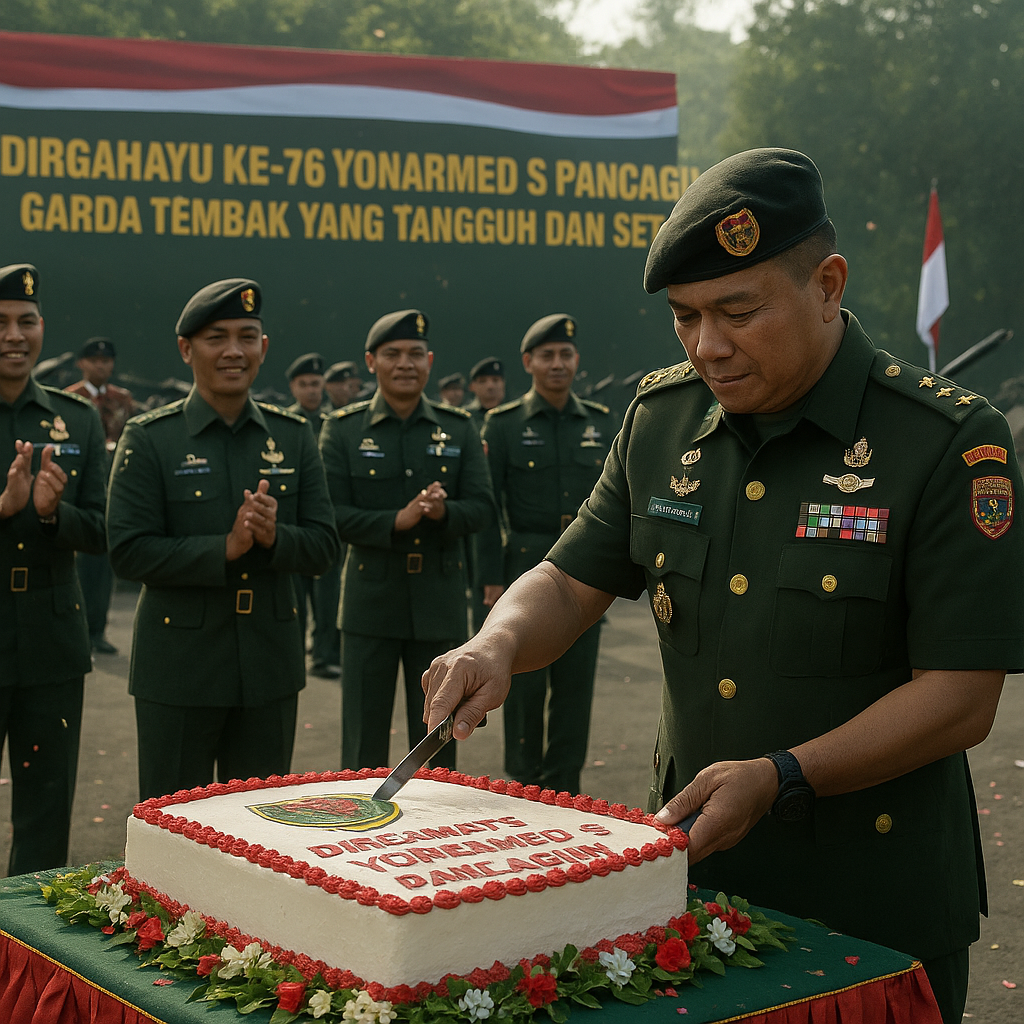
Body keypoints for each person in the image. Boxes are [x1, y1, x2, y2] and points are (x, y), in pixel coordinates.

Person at [422, 149, 1024, 1024]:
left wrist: (782, 775)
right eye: (684, 316)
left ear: (827, 283)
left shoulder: (943, 441)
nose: (707, 345)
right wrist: (497, 642)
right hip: (693, 892)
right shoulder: (663, 421)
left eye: (738, 311)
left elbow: (962, 696)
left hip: (874, 912)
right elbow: (567, 577)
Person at [106, 279, 339, 800]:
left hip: (269, 668)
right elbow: (126, 550)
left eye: (247, 336)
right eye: (217, 337)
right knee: (174, 832)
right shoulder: (150, 438)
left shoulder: (293, 435)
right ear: (187, 349)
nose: (234, 351)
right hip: (179, 667)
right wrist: (224, 549)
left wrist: (275, 537)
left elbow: (325, 546)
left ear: (264, 347)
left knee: (261, 834)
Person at [319, 309, 494, 770]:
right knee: (362, 742)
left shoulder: (458, 427)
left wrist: (443, 512)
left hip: (438, 602)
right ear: (371, 362)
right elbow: (331, 514)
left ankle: (434, 832)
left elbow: (483, 507)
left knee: (438, 739)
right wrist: (395, 521)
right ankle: (358, 831)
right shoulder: (342, 429)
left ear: (430, 360)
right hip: (369, 603)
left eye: (415, 354)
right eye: (392, 354)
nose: (405, 363)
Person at [475, 316, 616, 795]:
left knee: (575, 689)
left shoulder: (598, 421)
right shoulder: (505, 423)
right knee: (524, 686)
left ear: (577, 360)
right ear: (528, 362)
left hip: (584, 568)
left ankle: (565, 787)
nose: (558, 364)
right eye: (547, 355)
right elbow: (488, 507)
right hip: (523, 565)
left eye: (566, 355)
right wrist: (490, 580)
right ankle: (523, 780)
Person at [0, 263, 107, 874]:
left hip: (50, 638)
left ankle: (26, 955)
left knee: (45, 811)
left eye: (27, 321)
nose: (16, 335)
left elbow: (100, 529)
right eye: (3, 323)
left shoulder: (79, 420)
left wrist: (47, 516)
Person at [65, 336, 136, 654]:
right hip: (76, 489)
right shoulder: (69, 399)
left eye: (107, 361)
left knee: (104, 564)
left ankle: (97, 629)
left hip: (112, 488)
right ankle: (76, 629)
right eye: (95, 360)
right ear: (82, 364)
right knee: (76, 565)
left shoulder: (123, 399)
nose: (101, 365)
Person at [284, 352, 340, 678]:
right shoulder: (283, 425)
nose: (311, 391)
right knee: (294, 595)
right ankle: (292, 655)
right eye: (304, 385)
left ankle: (323, 655)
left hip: (323, 523)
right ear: (293, 387)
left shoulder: (335, 424)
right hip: (292, 523)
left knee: (327, 595)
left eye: (316, 384)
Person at [465, 356, 506, 432]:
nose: (490, 386)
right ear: (472, 386)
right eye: (482, 381)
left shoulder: (513, 414)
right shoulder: (465, 417)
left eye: (495, 380)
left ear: (503, 383)